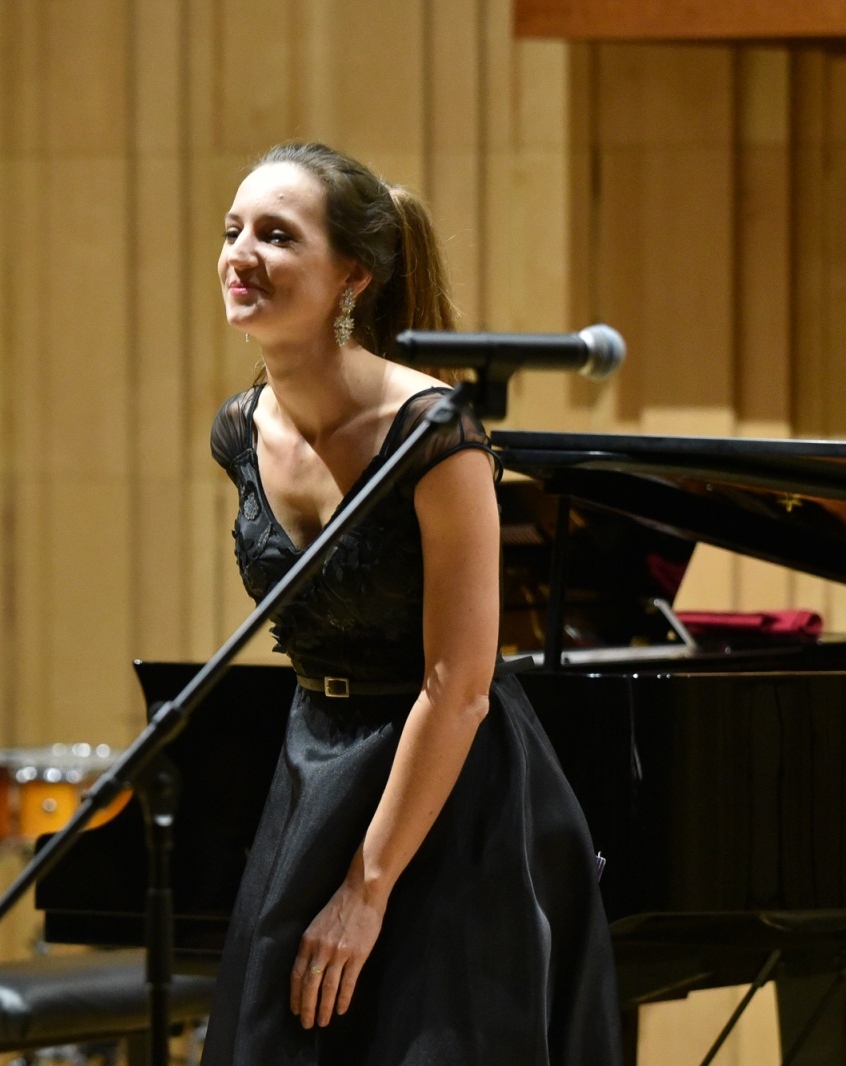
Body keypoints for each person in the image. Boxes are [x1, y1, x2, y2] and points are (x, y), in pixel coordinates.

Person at [199, 142, 622, 1064]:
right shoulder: (242, 431)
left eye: (276, 235)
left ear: (352, 274)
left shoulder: (436, 432)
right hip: (316, 765)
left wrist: (367, 888)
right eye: (233, 231)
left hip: (457, 788)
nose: (241, 254)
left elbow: (459, 683)